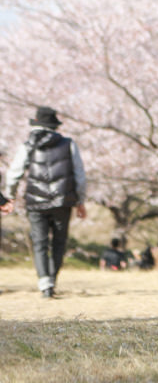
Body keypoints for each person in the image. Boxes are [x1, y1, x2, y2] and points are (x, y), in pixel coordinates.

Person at [0, 106, 87, 298]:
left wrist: (10, 196)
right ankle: (51, 281)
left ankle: (44, 283)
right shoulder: (68, 144)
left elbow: (14, 172)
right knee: (59, 242)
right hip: (63, 201)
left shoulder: (28, 145)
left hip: (35, 202)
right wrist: (80, 200)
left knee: (39, 242)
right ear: (54, 126)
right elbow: (79, 175)